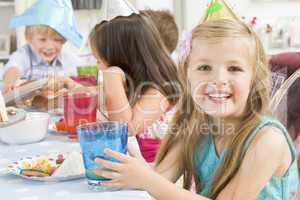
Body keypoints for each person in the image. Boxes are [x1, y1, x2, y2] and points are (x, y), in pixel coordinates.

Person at [92, 1, 299, 199]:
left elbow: (153, 183)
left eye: (234, 68)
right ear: (187, 75)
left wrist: (146, 179)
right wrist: (127, 168)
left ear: (254, 78)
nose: (218, 80)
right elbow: (160, 178)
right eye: (204, 68)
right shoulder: (196, 129)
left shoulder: (266, 140)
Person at [56, 13, 180, 162]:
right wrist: (70, 85)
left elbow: (126, 129)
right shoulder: (131, 86)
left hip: (154, 173)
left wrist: (113, 76)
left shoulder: (158, 92)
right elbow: (93, 93)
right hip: (129, 167)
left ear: (121, 59)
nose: (97, 66)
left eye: (99, 60)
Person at [3, 0, 83, 94]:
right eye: (42, 40)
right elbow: (12, 68)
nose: (49, 47)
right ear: (30, 38)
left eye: (56, 40)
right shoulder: (24, 55)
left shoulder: (69, 59)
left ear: (63, 40)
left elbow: (83, 80)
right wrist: (11, 83)